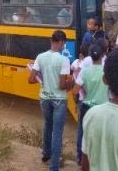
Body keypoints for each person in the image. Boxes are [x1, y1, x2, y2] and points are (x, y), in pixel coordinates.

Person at [28, 30, 72, 171]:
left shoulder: (40, 57)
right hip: (59, 99)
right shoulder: (64, 60)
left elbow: (30, 79)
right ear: (60, 42)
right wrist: (72, 82)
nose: (64, 46)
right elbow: (61, 85)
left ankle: (46, 155)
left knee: (48, 125)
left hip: (45, 98)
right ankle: (54, 166)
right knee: (57, 132)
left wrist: (42, 78)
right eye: (64, 43)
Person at [73, 43, 108, 166]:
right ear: (103, 55)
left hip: (87, 107)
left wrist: (83, 94)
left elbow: (75, 91)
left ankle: (81, 158)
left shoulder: (85, 71)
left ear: (90, 56)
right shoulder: (107, 71)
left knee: (83, 133)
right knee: (102, 135)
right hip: (103, 108)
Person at [70, 43, 90, 165]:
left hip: (82, 102)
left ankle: (79, 158)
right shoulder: (93, 68)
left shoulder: (77, 65)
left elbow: (75, 90)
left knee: (81, 130)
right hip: (91, 103)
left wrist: (75, 100)